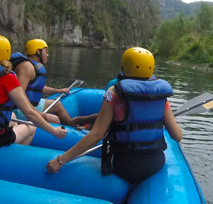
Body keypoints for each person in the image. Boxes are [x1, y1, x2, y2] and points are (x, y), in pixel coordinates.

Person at [46, 47, 182, 184]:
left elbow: (96, 135)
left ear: (124, 67)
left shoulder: (114, 93)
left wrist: (60, 160)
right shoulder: (160, 96)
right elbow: (177, 135)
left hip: (124, 166)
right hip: (155, 164)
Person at [0, 34, 67, 175]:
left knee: (13, 116)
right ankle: (9, 160)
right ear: (6, 52)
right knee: (30, 126)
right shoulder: (7, 77)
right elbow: (30, 113)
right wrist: (54, 131)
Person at [11, 39, 76, 126]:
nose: (48, 54)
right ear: (38, 51)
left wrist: (57, 90)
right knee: (55, 120)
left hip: (30, 105)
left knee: (58, 105)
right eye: (46, 51)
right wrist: (36, 113)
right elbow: (19, 95)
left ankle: (75, 127)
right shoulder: (26, 67)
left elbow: (36, 88)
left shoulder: (33, 66)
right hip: (19, 109)